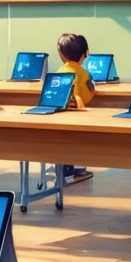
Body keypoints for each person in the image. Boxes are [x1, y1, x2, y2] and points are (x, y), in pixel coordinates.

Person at [56, 33, 94, 184]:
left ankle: (65, 172)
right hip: (78, 115)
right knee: (79, 143)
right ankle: (77, 172)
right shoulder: (84, 73)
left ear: (61, 54)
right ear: (86, 53)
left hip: (59, 115)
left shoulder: (59, 72)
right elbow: (88, 94)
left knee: (63, 144)